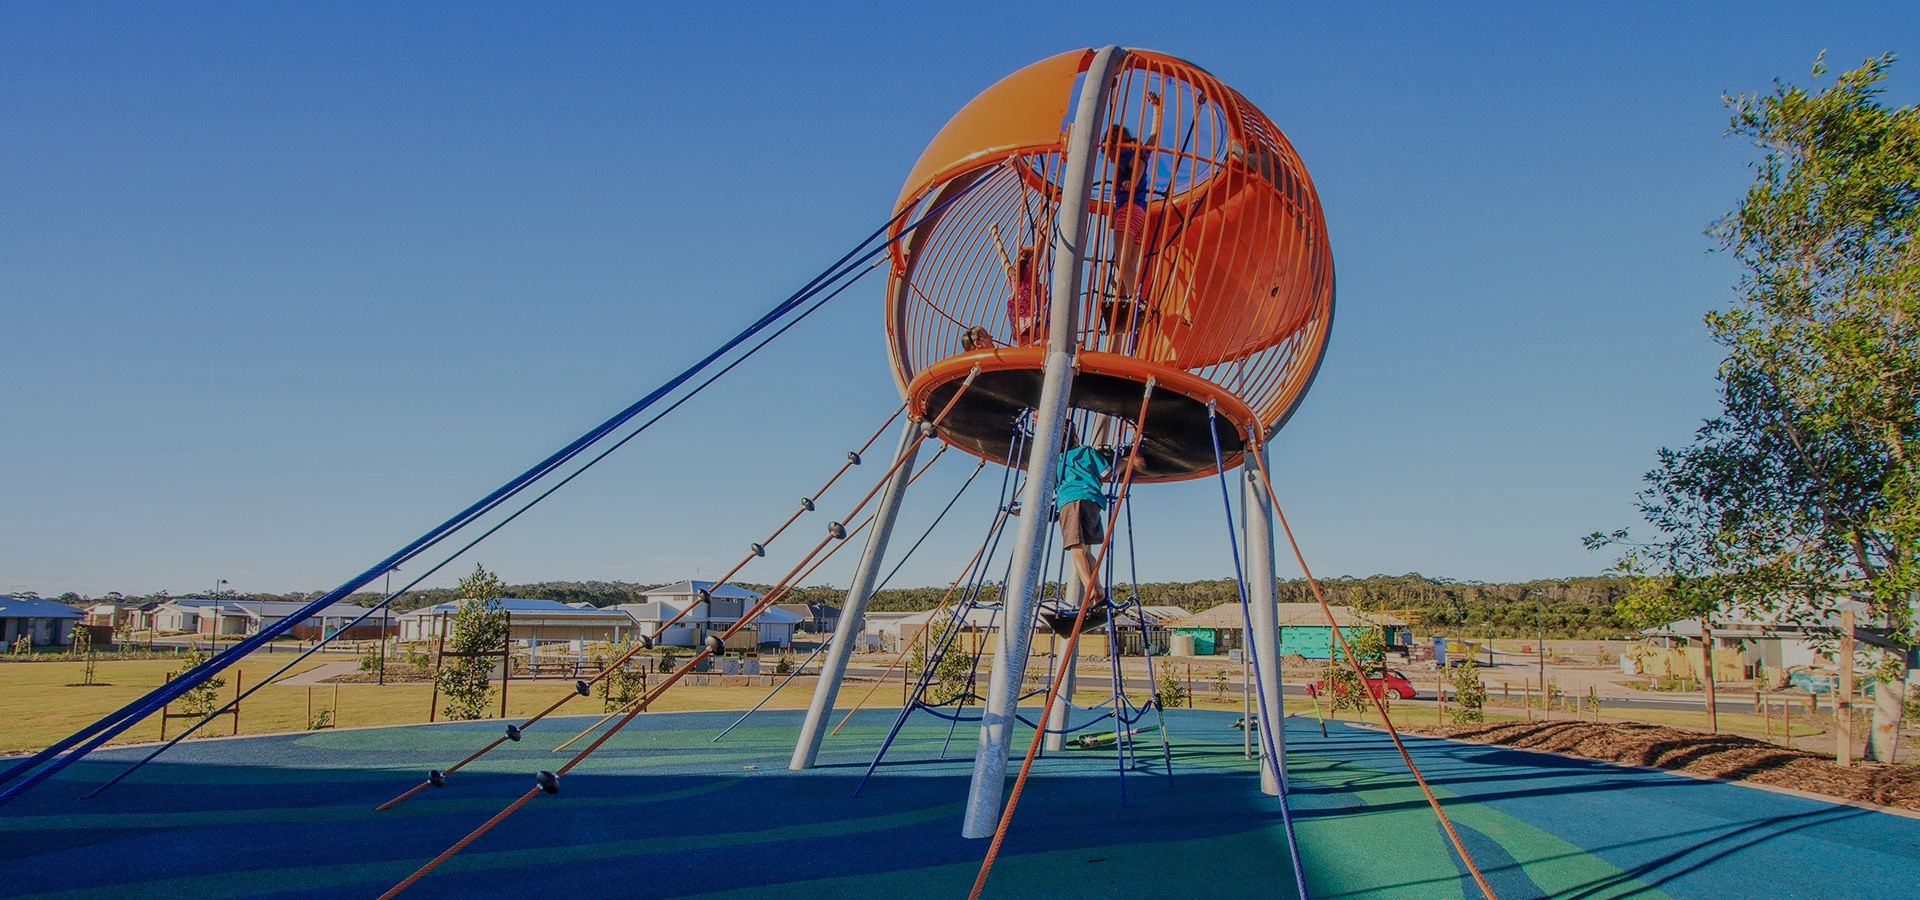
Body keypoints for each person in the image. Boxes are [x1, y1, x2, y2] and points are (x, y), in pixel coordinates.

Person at [1050, 425, 1115, 632]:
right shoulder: (1087, 451)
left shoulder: (1057, 461)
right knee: (1087, 551)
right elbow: (1107, 472)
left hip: (1070, 501)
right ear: (1075, 436)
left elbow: (1052, 486)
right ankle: (1099, 589)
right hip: (1093, 501)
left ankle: (1090, 592)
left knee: (1076, 550)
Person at [1106, 91, 1165, 316]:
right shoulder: (1139, 152)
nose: (1108, 158)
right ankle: (1134, 299)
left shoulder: (1122, 154)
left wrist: (1131, 182)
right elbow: (1153, 138)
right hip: (1141, 213)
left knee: (1121, 262)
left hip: (1127, 210)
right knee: (1130, 265)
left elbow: (1137, 168)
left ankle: (1138, 302)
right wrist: (1157, 110)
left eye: (1106, 151)